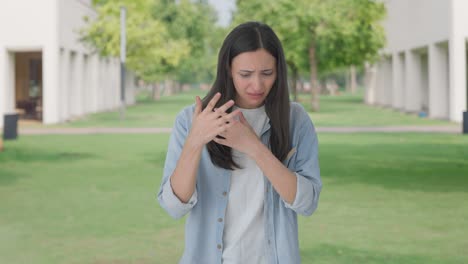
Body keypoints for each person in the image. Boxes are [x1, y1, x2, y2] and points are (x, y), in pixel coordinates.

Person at [157, 21, 322, 264]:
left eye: (267, 73)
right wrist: (195, 140)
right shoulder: (191, 119)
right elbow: (173, 207)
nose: (257, 85)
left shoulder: (296, 120)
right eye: (245, 74)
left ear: (279, 71)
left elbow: (307, 203)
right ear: (228, 69)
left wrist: (253, 146)